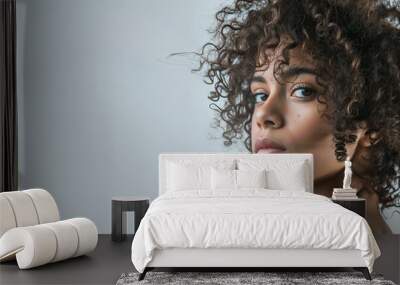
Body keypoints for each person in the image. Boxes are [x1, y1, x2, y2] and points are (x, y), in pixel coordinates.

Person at [195, 0, 400, 234]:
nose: (264, 114)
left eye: (303, 91)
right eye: (260, 95)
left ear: (372, 124)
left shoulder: (385, 263)